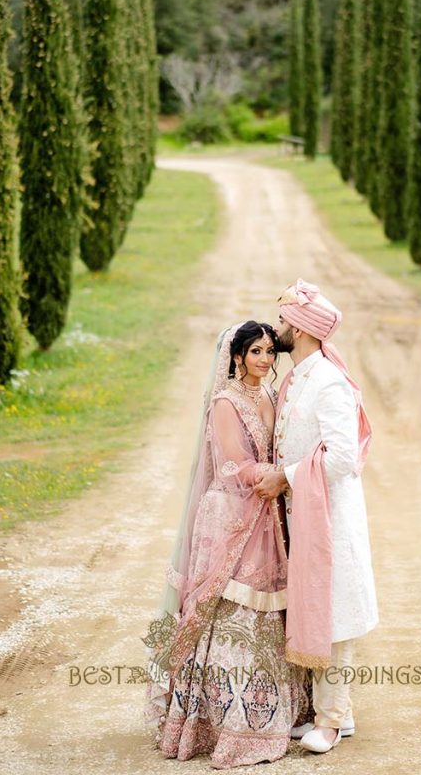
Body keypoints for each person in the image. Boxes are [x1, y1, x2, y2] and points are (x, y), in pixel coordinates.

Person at [142, 320, 313, 769]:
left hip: (267, 514)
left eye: (269, 352)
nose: (264, 360)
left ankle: (271, 714)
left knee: (269, 611)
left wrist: (288, 477)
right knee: (225, 608)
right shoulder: (225, 402)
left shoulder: (272, 397)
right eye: (255, 351)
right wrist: (271, 476)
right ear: (236, 356)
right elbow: (232, 464)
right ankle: (214, 723)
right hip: (232, 515)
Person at [254, 279, 379, 754]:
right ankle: (335, 714)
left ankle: (329, 720)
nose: (279, 328)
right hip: (307, 516)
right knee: (317, 608)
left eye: (285, 320)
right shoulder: (301, 374)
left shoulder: (327, 381)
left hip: (331, 520)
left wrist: (286, 476)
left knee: (336, 613)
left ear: (302, 329)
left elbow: (344, 457)